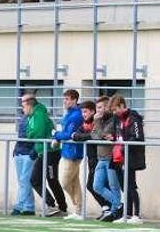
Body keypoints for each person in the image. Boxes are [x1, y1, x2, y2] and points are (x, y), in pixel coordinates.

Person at [70, 100, 111, 218]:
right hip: (92, 159)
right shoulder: (85, 124)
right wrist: (78, 136)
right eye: (82, 112)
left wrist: (80, 136)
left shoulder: (97, 122)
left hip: (101, 157)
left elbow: (94, 135)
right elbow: (76, 135)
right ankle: (107, 208)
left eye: (85, 112)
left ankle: (113, 207)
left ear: (93, 112)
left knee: (95, 185)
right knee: (95, 185)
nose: (84, 114)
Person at [110, 94, 145, 225]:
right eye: (112, 110)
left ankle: (136, 215)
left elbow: (137, 137)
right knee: (124, 186)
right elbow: (115, 134)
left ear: (122, 106)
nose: (114, 112)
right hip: (118, 156)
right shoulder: (116, 119)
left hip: (131, 156)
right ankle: (128, 214)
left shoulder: (134, 118)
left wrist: (124, 143)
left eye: (115, 109)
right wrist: (111, 137)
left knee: (131, 185)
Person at [51, 89, 84, 220]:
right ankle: (78, 210)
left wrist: (55, 135)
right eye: (64, 99)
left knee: (64, 182)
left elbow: (67, 134)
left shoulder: (76, 115)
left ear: (74, 100)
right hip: (67, 150)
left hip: (73, 152)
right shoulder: (68, 114)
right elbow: (65, 131)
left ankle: (78, 207)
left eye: (67, 99)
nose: (64, 102)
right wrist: (58, 136)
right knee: (74, 182)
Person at [12, 97, 37, 216]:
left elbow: (37, 136)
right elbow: (20, 136)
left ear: (30, 105)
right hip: (19, 152)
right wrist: (15, 151)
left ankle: (18, 206)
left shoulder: (37, 118)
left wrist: (34, 152)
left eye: (24, 106)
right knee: (23, 182)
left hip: (29, 154)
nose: (23, 108)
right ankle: (29, 207)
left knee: (25, 180)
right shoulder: (23, 118)